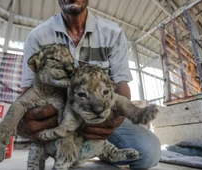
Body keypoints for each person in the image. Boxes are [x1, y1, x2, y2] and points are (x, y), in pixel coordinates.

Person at [18, 0, 161, 169]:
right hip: (59, 116)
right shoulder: (38, 36)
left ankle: (99, 151)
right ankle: (75, 152)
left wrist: (115, 119)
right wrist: (26, 120)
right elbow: (29, 91)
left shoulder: (112, 33)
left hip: (100, 115)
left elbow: (122, 85)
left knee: (147, 152)